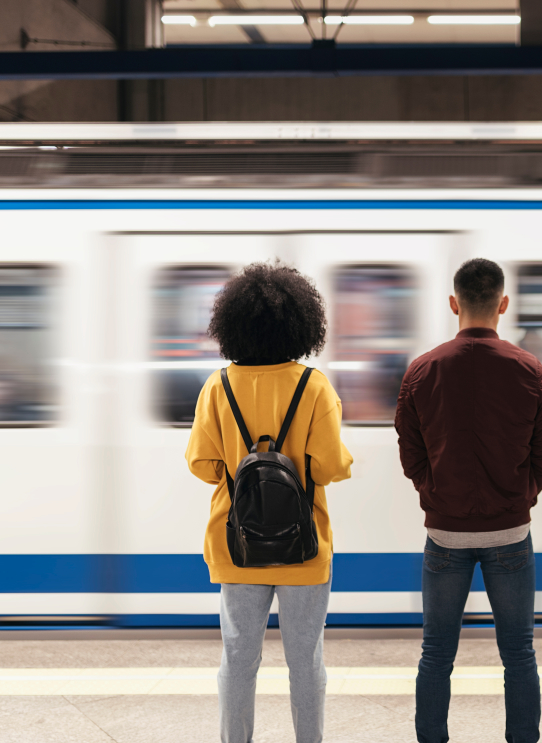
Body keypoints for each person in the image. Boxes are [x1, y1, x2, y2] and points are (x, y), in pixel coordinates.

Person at [395, 258, 542, 743]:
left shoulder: (422, 370)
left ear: (454, 303)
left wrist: (434, 492)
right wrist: (521, 495)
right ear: (502, 304)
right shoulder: (530, 369)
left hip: (444, 535)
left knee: (436, 652)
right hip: (511, 533)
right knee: (519, 653)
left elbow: (411, 453)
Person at [186, 262, 353, 743]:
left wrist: (238, 471)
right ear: (301, 323)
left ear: (232, 325)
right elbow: (328, 468)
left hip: (236, 544)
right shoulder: (314, 386)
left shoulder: (217, 387)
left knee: (238, 658)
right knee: (306, 660)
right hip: (304, 547)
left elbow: (201, 464)